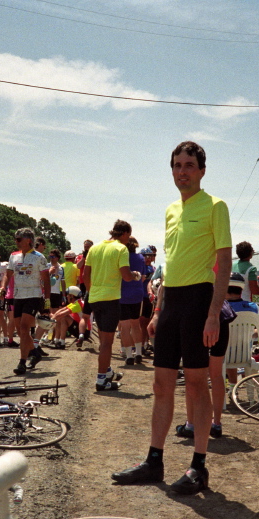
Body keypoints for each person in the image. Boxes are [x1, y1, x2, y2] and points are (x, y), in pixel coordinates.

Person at [111, 141, 231, 495]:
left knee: (196, 384)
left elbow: (223, 264)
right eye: (177, 165)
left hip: (199, 299)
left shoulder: (215, 206)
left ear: (202, 170)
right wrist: (159, 309)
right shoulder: (170, 210)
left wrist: (212, 314)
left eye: (189, 165)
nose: (182, 171)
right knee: (161, 384)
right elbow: (170, 264)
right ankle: (154, 460)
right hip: (172, 300)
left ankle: (199, 467)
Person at [175, 272, 259, 439]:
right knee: (216, 375)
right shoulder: (215, 283)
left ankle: (191, 425)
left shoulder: (190, 282)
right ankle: (216, 424)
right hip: (221, 321)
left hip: (199, 321)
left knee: (192, 377)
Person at [83, 219, 141, 391]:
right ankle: (101, 380)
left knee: (103, 339)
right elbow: (126, 276)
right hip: (110, 299)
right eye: (128, 236)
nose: (128, 240)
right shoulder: (120, 249)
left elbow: (86, 274)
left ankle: (107, 371)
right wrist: (136, 275)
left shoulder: (95, 247)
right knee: (107, 343)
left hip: (95, 298)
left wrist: (91, 291)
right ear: (124, 234)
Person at [0, 228, 49, 375]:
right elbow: (7, 275)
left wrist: (47, 301)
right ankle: (35, 352)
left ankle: (22, 362)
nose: (16, 242)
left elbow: (46, 280)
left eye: (18, 239)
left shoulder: (39, 257)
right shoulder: (13, 257)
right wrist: (3, 287)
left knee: (24, 327)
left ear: (28, 241)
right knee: (20, 330)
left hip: (33, 295)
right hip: (18, 295)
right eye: (15, 239)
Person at [118, 238, 146, 365]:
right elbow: (143, 277)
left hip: (122, 294)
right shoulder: (141, 258)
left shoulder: (121, 256)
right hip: (137, 293)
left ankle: (129, 355)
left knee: (124, 327)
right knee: (136, 324)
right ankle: (139, 353)